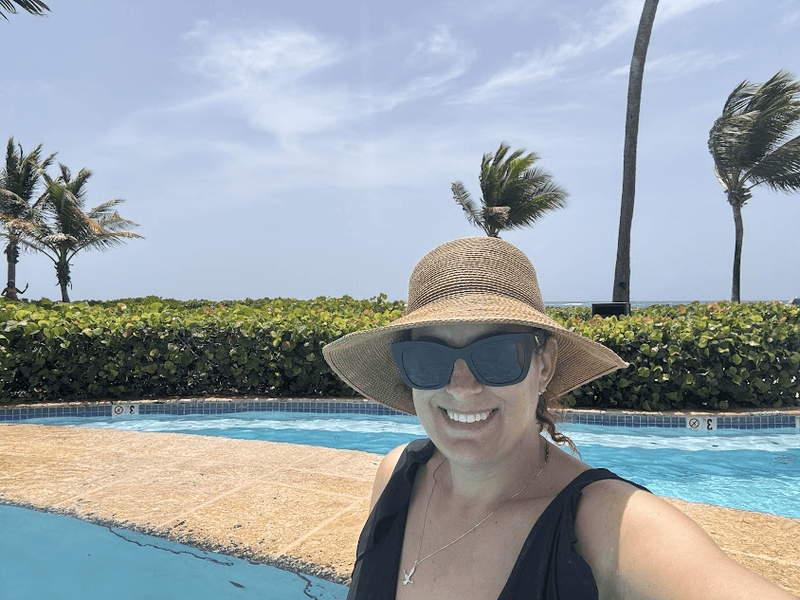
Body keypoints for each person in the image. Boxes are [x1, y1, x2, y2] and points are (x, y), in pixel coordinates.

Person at [323, 236, 796, 600]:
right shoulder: (396, 475)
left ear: (544, 364)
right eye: (428, 359)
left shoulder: (608, 525)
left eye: (497, 355)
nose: (462, 387)